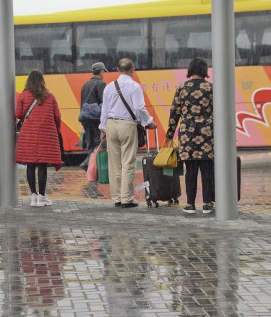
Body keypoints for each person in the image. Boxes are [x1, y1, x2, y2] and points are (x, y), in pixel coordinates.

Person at [99, 58, 156, 208]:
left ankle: (117, 198)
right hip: (127, 125)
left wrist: (102, 129)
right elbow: (139, 108)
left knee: (114, 164)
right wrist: (149, 122)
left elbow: (104, 110)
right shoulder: (134, 86)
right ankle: (127, 198)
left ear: (118, 70)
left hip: (111, 124)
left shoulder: (109, 87)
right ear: (133, 69)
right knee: (128, 162)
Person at [164, 57, 214, 214]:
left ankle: (190, 204)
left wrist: (170, 134)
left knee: (190, 171)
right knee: (207, 170)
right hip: (207, 134)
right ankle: (207, 204)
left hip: (188, 135)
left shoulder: (182, 88)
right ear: (204, 70)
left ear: (190, 70)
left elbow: (174, 113)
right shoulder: (211, 88)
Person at [15, 70, 63, 207]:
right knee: (42, 165)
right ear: (42, 81)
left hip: (28, 134)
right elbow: (57, 117)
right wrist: (56, 130)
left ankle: (33, 196)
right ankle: (42, 196)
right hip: (45, 135)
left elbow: (18, 114)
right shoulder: (50, 96)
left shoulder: (24, 95)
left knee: (31, 165)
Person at [78, 62, 108, 171]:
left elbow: (82, 103)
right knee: (99, 143)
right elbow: (104, 103)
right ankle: (87, 163)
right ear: (100, 72)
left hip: (86, 119)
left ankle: (92, 169)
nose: (104, 74)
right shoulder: (101, 84)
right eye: (104, 72)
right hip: (96, 119)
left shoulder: (85, 85)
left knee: (91, 145)